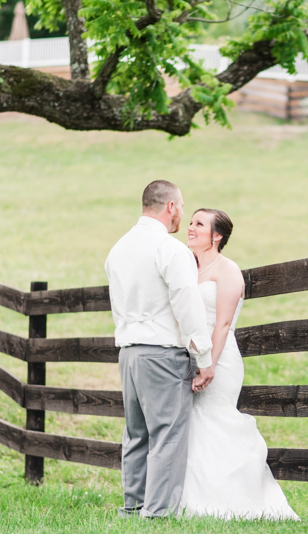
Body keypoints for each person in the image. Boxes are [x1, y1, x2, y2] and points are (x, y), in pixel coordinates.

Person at [179, 208, 300, 520]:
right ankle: (194, 502)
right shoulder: (186, 268)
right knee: (194, 428)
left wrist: (209, 365)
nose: (191, 228)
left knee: (216, 422)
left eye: (199, 224)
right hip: (187, 356)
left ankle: (235, 502)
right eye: (191, 222)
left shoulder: (228, 270)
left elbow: (222, 325)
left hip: (219, 359)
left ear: (217, 236)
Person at [105, 180, 214, 518]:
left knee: (136, 434)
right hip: (162, 353)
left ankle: (132, 507)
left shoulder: (118, 248)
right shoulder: (169, 249)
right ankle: (158, 513)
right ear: (170, 207)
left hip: (128, 352)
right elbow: (187, 304)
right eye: (182, 207)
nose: (182, 213)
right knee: (167, 434)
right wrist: (204, 357)